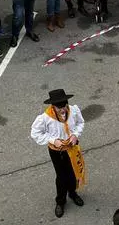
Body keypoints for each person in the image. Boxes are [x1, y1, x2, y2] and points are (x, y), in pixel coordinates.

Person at [30, 89, 86, 217]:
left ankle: (72, 193)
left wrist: (75, 135)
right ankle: (60, 201)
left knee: (73, 172)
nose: (63, 110)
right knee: (61, 177)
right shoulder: (45, 118)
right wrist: (53, 140)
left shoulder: (73, 110)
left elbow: (80, 123)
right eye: (59, 107)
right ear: (53, 106)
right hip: (57, 151)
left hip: (72, 147)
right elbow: (35, 133)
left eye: (64, 106)